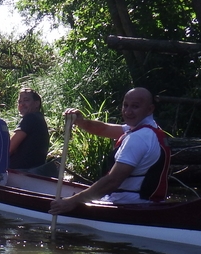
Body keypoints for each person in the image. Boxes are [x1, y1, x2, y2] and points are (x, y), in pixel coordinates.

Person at [49, 87, 171, 215]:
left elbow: (113, 181)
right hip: (148, 203)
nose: (128, 111)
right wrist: (81, 122)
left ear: (150, 109)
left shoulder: (138, 138)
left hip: (127, 205)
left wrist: (72, 202)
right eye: (125, 105)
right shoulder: (148, 130)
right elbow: (103, 129)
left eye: (135, 106)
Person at [8, 88, 50, 171]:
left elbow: (9, 149)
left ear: (36, 103)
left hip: (22, 171)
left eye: (26, 100)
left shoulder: (30, 118)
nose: (22, 104)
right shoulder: (39, 118)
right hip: (33, 169)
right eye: (20, 102)